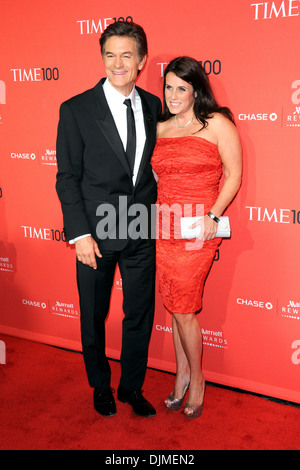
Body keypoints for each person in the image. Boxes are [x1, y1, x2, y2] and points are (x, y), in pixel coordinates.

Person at [56, 21, 161, 418]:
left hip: (140, 226)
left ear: (142, 60)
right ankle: (100, 384)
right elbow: (66, 176)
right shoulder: (77, 108)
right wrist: (79, 233)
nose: (118, 63)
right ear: (102, 58)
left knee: (139, 312)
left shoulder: (154, 106)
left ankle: (131, 386)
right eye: (110, 55)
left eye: (127, 55)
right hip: (96, 232)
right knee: (94, 313)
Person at [151, 57, 242, 419]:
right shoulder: (160, 128)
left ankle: (198, 379)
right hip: (165, 228)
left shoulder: (217, 123)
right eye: (168, 87)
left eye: (181, 88)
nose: (173, 95)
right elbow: (159, 176)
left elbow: (233, 175)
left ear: (196, 90)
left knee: (185, 308)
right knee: (175, 306)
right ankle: (181, 374)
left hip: (198, 230)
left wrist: (212, 215)